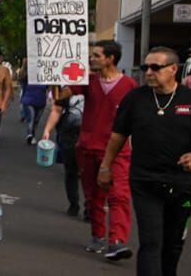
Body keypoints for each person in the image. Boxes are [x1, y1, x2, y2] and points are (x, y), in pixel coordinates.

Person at [98, 46, 191, 276]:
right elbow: (118, 136)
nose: (148, 72)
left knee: (173, 241)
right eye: (146, 67)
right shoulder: (135, 99)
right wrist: (106, 166)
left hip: (183, 183)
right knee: (151, 240)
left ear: (173, 69)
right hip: (145, 181)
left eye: (155, 67)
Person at [54, 40, 137, 260]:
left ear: (110, 59)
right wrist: (55, 79)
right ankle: (98, 235)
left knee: (119, 195)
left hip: (117, 151)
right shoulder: (88, 81)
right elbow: (63, 94)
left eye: (97, 55)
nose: (92, 59)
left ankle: (117, 242)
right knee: (93, 196)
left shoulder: (129, 86)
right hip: (88, 148)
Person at [40, 84, 84, 216]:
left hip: (91, 134)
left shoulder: (96, 85)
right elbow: (57, 110)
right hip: (69, 134)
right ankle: (73, 203)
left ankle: (91, 207)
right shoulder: (67, 88)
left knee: (90, 173)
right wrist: (47, 129)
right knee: (71, 170)